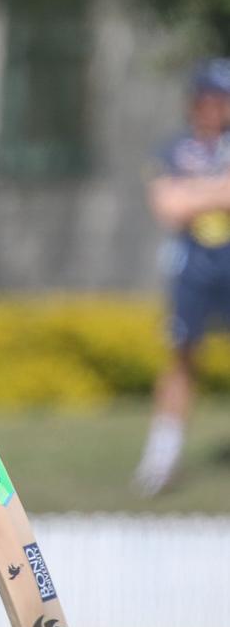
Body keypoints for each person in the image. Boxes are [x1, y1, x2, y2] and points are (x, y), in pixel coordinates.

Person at [133, 58, 230, 496]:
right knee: (181, 358)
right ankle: (160, 460)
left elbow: (182, 199)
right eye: (213, 98)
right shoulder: (174, 149)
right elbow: (168, 208)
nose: (219, 108)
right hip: (192, 267)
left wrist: (195, 193)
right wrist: (218, 191)